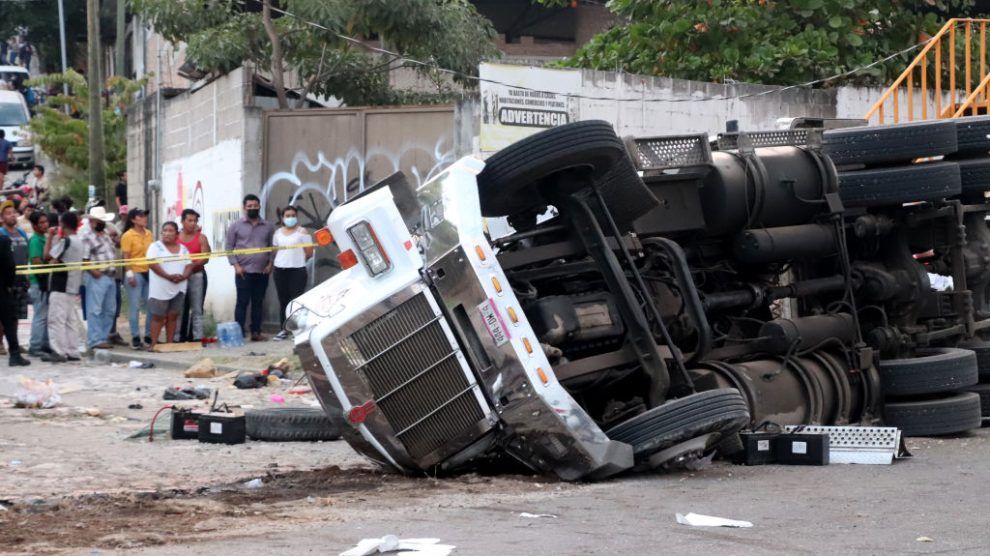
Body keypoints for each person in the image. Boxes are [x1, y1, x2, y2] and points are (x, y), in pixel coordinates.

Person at [226, 194, 274, 341]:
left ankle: (256, 332)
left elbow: (273, 247)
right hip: (243, 271)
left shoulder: (268, 226)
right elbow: (229, 247)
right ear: (244, 207)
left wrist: (270, 264)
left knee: (258, 302)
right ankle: (239, 333)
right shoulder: (236, 226)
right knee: (242, 302)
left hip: (262, 271)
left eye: (255, 206)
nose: (252, 208)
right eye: (249, 206)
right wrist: (236, 266)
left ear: (259, 206)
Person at [45, 211, 84, 362]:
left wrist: (50, 237)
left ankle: (58, 351)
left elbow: (48, 256)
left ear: (63, 224)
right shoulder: (79, 241)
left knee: (56, 320)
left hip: (60, 285)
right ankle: (72, 350)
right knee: (70, 320)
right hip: (73, 285)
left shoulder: (66, 241)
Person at [147, 222, 192, 350]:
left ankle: (170, 343)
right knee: (158, 316)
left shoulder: (183, 249)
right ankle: (154, 344)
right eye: (164, 230)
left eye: (170, 230)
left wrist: (183, 276)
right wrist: (168, 276)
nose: (167, 233)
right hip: (161, 287)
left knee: (173, 316)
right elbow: (153, 264)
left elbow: (189, 265)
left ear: (177, 234)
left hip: (179, 286)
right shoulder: (155, 247)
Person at [272, 206, 313, 340]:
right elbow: (275, 251)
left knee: (297, 301)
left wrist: (298, 261)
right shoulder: (277, 233)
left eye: (293, 215)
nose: (290, 218)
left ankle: (298, 331)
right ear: (282, 218)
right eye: (287, 215)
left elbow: (309, 252)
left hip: (297, 270)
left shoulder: (303, 232)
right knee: (283, 300)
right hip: (280, 270)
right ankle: (284, 330)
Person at [80, 207, 118, 350]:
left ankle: (103, 337)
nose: (102, 223)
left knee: (109, 309)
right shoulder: (86, 236)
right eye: (99, 220)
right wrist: (93, 271)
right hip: (97, 276)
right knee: (95, 309)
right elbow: (84, 258)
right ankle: (95, 339)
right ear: (92, 221)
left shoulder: (106, 234)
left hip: (110, 275)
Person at [121, 208, 153, 349]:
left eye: (145, 216)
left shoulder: (149, 234)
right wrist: (129, 274)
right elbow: (126, 257)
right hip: (135, 272)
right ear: (133, 219)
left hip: (148, 272)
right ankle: (135, 336)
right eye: (141, 216)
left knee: (150, 305)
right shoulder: (128, 235)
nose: (144, 218)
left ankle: (148, 335)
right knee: (134, 306)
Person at [176, 208, 210, 342]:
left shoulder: (201, 238)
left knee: (197, 307)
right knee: (179, 308)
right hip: (179, 276)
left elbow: (205, 257)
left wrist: (191, 266)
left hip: (197, 274)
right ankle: (177, 337)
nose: (192, 223)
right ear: (182, 221)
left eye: (195, 221)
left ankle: (197, 337)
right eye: (189, 220)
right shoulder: (176, 237)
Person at [0, 201, 30, 337]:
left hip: (21, 279)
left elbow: (27, 254)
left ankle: (14, 341)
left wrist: (27, 276)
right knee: (3, 313)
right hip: (5, 280)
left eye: (14, 213)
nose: (12, 216)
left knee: (17, 313)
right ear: (2, 218)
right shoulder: (1, 233)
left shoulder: (22, 233)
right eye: (8, 214)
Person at [0, 227, 28, 366]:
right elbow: (10, 266)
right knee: (10, 322)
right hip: (2, 289)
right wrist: (9, 284)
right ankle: (15, 355)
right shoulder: (4, 241)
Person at [26, 211, 52, 359]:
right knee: (40, 315)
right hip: (38, 283)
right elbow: (36, 261)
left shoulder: (44, 238)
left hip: (45, 283)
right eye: (41, 223)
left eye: (45, 222)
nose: (45, 225)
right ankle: (35, 345)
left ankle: (44, 343)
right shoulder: (36, 240)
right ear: (35, 225)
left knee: (46, 315)